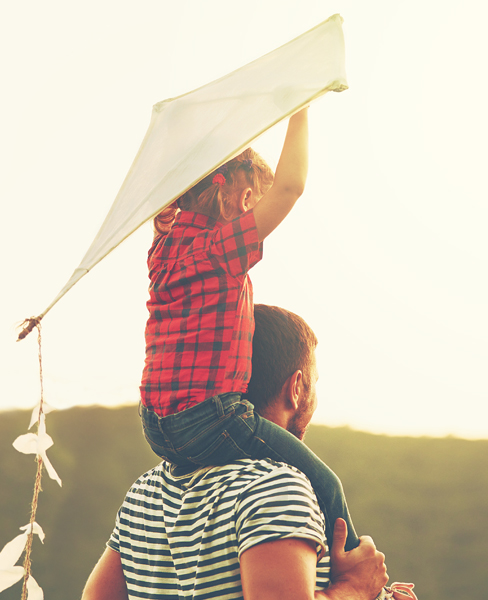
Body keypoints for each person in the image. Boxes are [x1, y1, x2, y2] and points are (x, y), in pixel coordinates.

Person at [138, 107, 358, 551]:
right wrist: (300, 108)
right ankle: (358, 573)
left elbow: (166, 216)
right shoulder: (221, 248)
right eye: (257, 200)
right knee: (325, 484)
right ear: (241, 201)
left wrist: (165, 213)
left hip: (155, 425)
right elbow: (291, 187)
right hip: (210, 421)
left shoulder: (163, 249)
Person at [82, 304, 399, 600]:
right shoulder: (276, 486)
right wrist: (353, 589)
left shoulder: (146, 491)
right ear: (297, 388)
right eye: (315, 383)